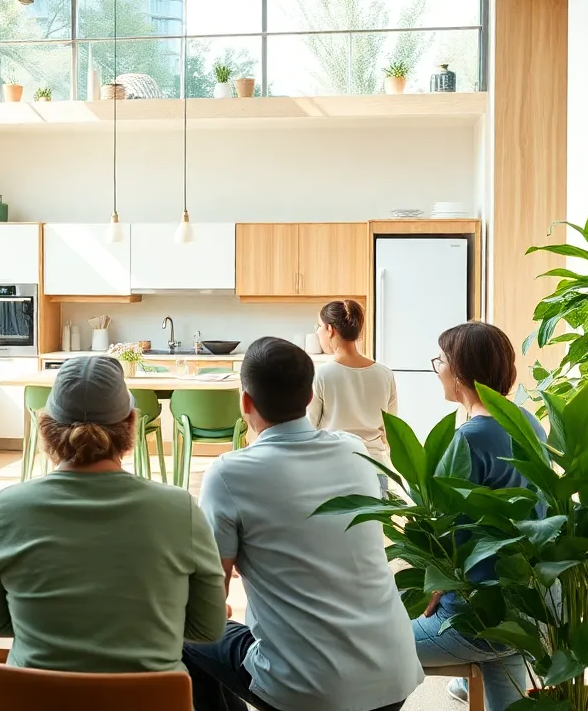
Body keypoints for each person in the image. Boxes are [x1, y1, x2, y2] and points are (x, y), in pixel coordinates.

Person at [184, 337, 422, 711]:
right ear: (311, 396)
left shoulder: (229, 473)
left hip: (306, 691)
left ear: (246, 401)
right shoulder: (357, 451)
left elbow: (210, 597)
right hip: (394, 674)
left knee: (186, 631)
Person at [0, 355, 226, 672]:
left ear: (46, 425)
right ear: (131, 423)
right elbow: (208, 628)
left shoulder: (7, 508)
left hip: (33, 698)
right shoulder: (180, 508)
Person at [415, 322, 545, 710]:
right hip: (523, 613)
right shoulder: (529, 422)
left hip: (475, 622)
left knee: (369, 647)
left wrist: (435, 584)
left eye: (440, 360)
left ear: (458, 371)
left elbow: (448, 530)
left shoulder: (469, 438)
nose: (437, 368)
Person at [307, 299, 398, 491]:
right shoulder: (384, 374)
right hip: (375, 468)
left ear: (330, 329)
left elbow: (309, 427)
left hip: (334, 469)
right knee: (375, 521)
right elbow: (392, 429)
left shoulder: (321, 374)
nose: (318, 332)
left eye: (319, 327)